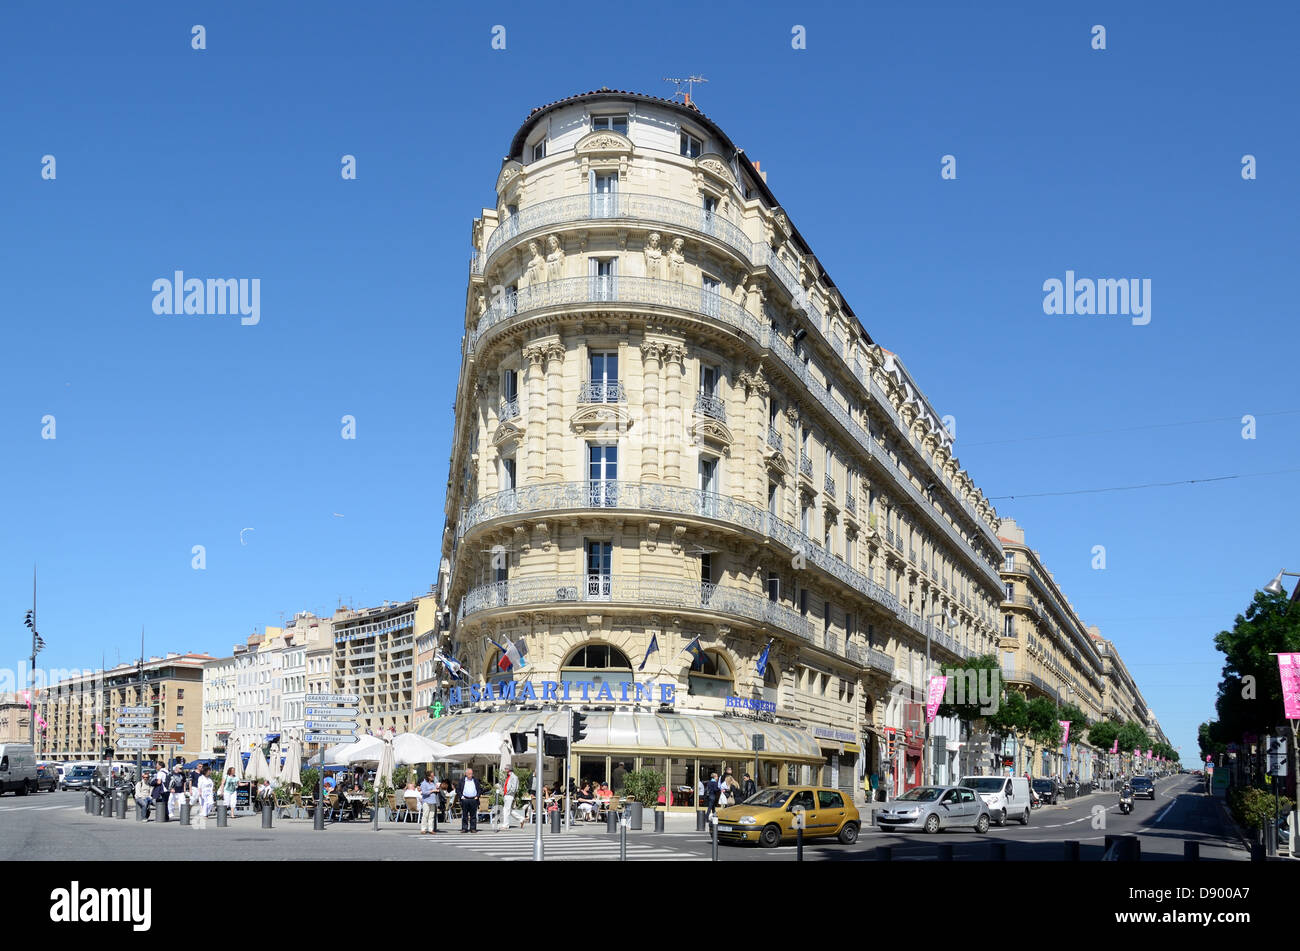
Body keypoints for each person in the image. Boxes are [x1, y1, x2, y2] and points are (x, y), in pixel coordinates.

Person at [455, 767, 482, 833]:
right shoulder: (462, 780)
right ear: (466, 774)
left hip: (473, 799)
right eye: (469, 773)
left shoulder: (475, 780)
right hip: (465, 799)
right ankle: (464, 828)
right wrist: (461, 796)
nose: (471, 775)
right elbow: (457, 790)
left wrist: (477, 796)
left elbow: (480, 789)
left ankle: (473, 828)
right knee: (465, 815)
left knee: (473, 815)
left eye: (471, 773)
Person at [417, 769, 440, 835]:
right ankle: (423, 829)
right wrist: (432, 791)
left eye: (433, 776)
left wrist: (437, 789)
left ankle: (431, 829)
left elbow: (435, 790)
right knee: (425, 815)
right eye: (432, 776)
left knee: (431, 816)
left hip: (433, 801)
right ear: (428, 777)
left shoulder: (433, 783)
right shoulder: (424, 783)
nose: (433, 777)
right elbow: (424, 792)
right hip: (426, 801)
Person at [497, 767, 519, 832]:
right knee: (506, 810)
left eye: (506, 768)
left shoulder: (514, 777)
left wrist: (508, 792)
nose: (505, 770)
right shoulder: (508, 776)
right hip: (506, 795)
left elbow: (514, 787)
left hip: (509, 795)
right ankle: (521, 819)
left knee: (506, 810)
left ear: (509, 769)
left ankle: (506, 825)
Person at [193, 765, 214, 829]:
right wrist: (200, 793)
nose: (210, 772)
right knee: (204, 804)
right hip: (203, 792)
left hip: (209, 793)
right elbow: (199, 786)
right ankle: (205, 815)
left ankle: (204, 813)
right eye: (209, 770)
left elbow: (212, 786)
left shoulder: (209, 779)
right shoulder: (201, 778)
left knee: (211, 803)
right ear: (205, 771)